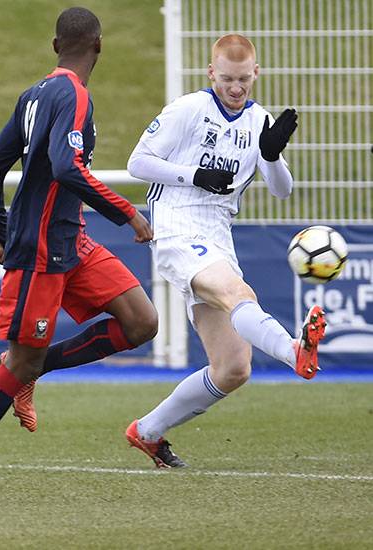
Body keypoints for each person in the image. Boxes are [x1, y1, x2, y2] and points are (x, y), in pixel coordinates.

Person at [0, 7, 157, 504]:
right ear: (99, 46)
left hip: (72, 240)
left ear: (56, 47)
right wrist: (128, 213)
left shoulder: (35, 93)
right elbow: (66, 167)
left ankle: (32, 369)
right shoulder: (73, 94)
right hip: (42, 249)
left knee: (140, 322)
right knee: (20, 360)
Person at [123, 34, 325, 468]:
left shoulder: (258, 120)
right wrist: (194, 174)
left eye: (243, 81)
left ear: (256, 73)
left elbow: (282, 190)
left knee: (233, 368)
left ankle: (147, 432)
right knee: (239, 295)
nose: (235, 88)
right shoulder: (189, 109)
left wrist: (271, 154)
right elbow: (137, 162)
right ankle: (296, 352)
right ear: (211, 72)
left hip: (218, 234)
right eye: (227, 79)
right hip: (178, 226)